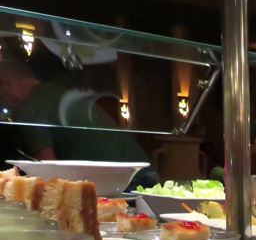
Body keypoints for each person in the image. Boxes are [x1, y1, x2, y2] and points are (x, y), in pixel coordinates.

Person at [0, 60, 157, 187]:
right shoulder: (51, 92)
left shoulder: (28, 106)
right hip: (142, 173)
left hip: (121, 182)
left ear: (8, 84)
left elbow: (48, 171)